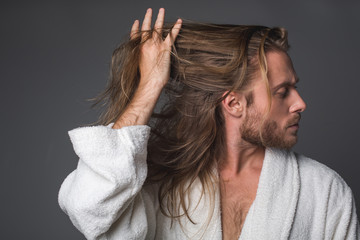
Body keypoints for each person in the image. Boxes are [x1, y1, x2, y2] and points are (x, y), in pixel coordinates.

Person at [58, 8, 360, 240]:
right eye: (283, 92)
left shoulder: (324, 190)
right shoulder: (158, 183)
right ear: (233, 103)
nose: (300, 103)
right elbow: (90, 209)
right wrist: (150, 86)